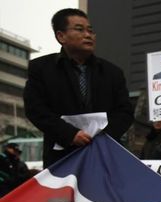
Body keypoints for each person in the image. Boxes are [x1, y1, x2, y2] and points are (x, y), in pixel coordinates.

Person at [23, 8, 133, 168]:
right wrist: (70, 134)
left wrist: (102, 137)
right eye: (79, 29)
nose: (88, 35)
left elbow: (125, 112)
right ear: (61, 36)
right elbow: (36, 109)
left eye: (90, 31)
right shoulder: (41, 68)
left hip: (104, 155)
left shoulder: (113, 72)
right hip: (61, 158)